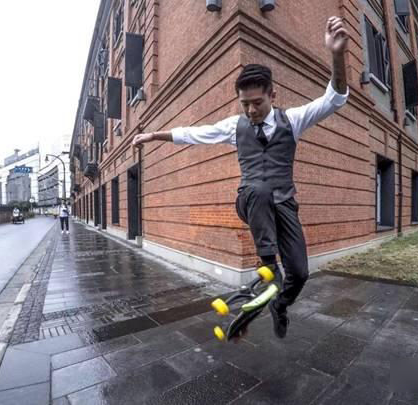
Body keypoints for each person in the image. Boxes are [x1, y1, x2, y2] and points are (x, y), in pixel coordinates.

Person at [133, 17, 349, 338]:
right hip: (250, 201)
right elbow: (194, 133)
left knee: (301, 272)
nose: (250, 111)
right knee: (259, 189)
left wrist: (336, 55)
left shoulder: (293, 120)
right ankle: (268, 265)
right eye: (244, 104)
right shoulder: (235, 126)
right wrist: (153, 135)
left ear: (273, 95)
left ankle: (280, 305)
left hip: (284, 205)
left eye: (257, 103)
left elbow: (334, 99)